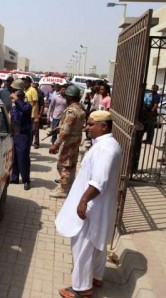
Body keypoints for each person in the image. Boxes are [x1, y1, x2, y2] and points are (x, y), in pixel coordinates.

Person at [55, 110, 121, 298]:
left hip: (93, 206)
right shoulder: (106, 144)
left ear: (104, 126)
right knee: (98, 244)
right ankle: (96, 277)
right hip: (100, 205)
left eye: (91, 124)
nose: (87, 127)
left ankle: (81, 289)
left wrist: (83, 201)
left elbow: (99, 181)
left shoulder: (105, 149)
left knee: (83, 246)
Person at [49, 85, 87, 198]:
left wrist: (55, 145)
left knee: (63, 166)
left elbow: (65, 130)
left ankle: (64, 190)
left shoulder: (71, 110)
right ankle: (67, 187)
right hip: (76, 140)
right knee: (71, 165)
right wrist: (58, 128)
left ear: (70, 97)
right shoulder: (80, 109)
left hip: (69, 142)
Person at [9, 79, 32, 191]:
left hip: (23, 136)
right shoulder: (14, 108)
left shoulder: (27, 106)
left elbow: (24, 108)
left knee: (23, 159)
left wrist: (17, 99)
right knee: (15, 158)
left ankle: (26, 180)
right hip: (15, 135)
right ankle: (14, 178)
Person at [23, 76, 38, 147]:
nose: (24, 84)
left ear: (29, 83)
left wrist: (36, 116)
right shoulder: (25, 90)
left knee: (30, 132)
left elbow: (36, 103)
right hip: (25, 114)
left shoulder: (33, 90)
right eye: (24, 82)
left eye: (26, 83)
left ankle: (29, 145)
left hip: (31, 115)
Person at [32, 81, 45, 149]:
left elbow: (42, 105)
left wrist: (40, 114)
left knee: (36, 130)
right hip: (30, 113)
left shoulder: (40, 94)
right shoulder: (30, 92)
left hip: (36, 114)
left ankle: (36, 143)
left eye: (35, 87)